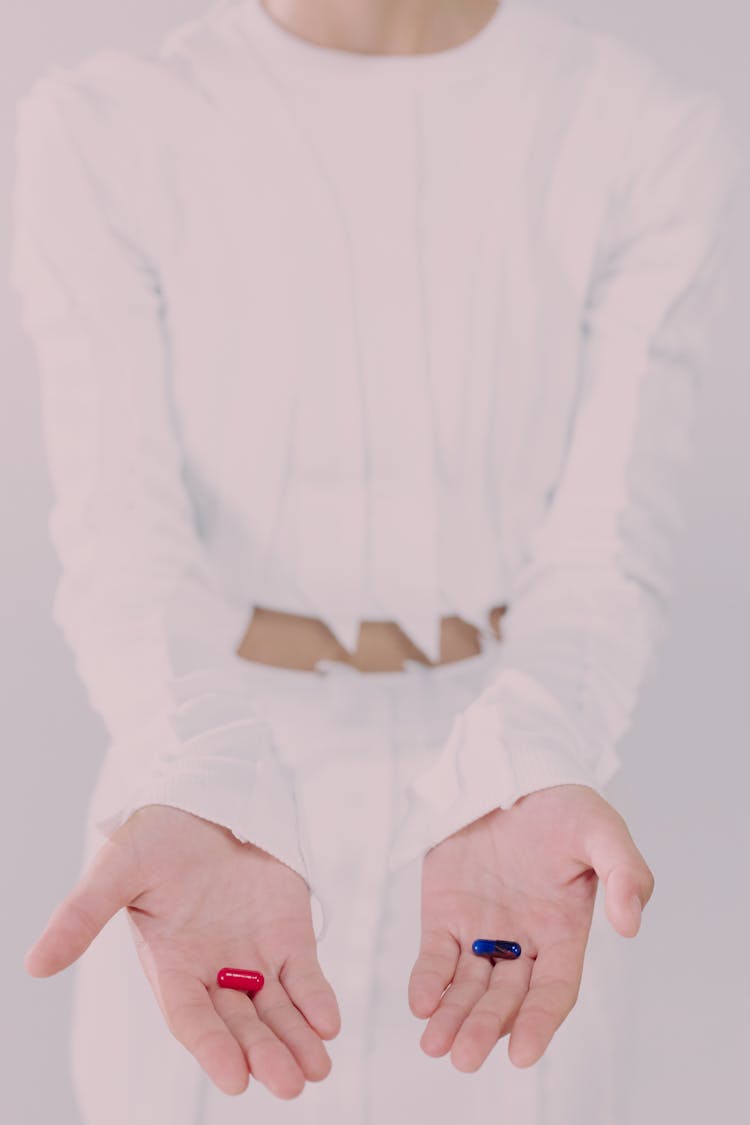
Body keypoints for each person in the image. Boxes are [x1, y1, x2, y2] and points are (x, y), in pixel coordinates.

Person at [9, 1, 739, 1122]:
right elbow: (120, 541)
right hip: (201, 802)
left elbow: (609, 546)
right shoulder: (105, 127)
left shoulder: (641, 134)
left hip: (520, 814)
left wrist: (528, 752)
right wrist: (199, 771)